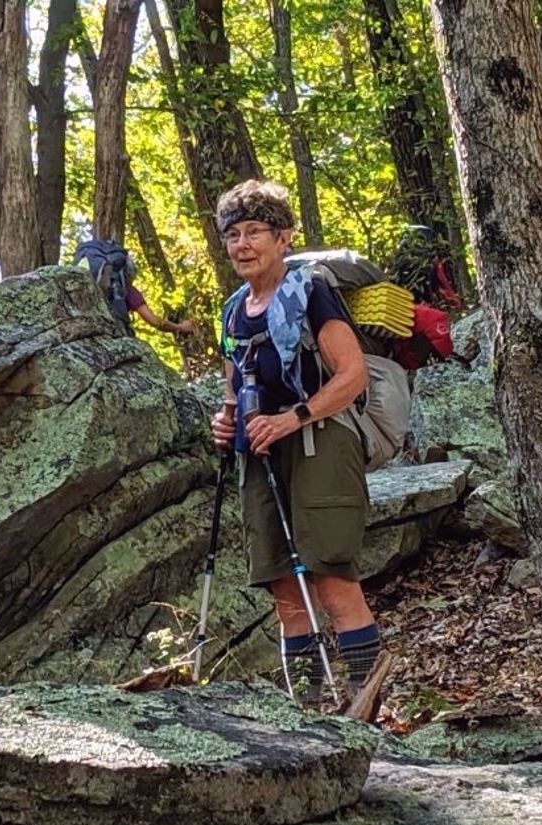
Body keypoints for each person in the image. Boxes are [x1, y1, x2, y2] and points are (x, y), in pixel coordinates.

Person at [207, 180, 382, 703]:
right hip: (260, 452)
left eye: (255, 231)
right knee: (284, 586)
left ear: (283, 238)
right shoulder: (235, 310)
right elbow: (234, 386)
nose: (242, 244)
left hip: (320, 440)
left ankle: (363, 701)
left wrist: (293, 417)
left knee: (329, 574)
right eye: (233, 234)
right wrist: (226, 421)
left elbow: (353, 376)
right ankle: (304, 709)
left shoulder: (311, 291)